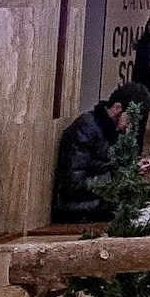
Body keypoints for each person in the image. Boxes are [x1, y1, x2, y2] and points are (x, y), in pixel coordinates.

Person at [52, 85, 140, 225]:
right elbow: (74, 183)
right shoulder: (86, 128)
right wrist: (118, 177)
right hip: (76, 208)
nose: (131, 125)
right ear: (117, 108)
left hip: (98, 203)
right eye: (130, 118)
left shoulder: (115, 132)